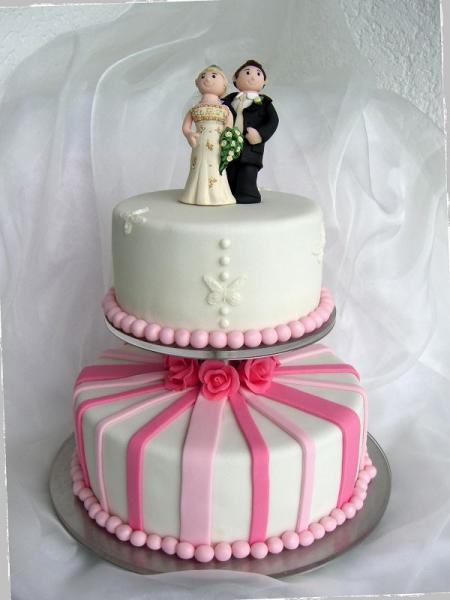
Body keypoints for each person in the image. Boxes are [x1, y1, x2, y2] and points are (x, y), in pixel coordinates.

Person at [222, 60, 279, 204]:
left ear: (264, 81)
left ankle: (248, 194)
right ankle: (227, 193)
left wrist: (260, 135)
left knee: (247, 171)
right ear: (235, 78)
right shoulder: (227, 100)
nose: (252, 77)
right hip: (229, 143)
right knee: (229, 170)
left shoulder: (265, 103)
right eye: (247, 73)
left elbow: (273, 121)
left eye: (258, 74)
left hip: (251, 146)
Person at [179, 65, 236, 206]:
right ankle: (194, 195)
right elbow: (186, 127)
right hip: (199, 143)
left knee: (215, 166)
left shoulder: (225, 109)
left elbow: (229, 127)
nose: (207, 79)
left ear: (224, 84)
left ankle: (218, 195)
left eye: (214, 76)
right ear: (196, 82)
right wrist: (189, 134)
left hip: (217, 143)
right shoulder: (194, 108)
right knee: (198, 166)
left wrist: (226, 140)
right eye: (203, 76)